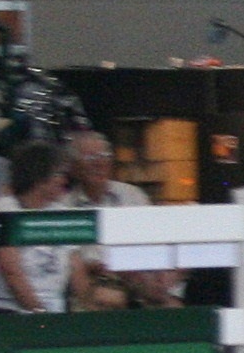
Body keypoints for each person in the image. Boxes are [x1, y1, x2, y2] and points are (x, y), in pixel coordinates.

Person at [63, 128, 177, 307]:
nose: (100, 163)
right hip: (90, 284)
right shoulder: (65, 206)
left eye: (105, 155)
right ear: (74, 168)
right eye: (91, 158)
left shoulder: (133, 196)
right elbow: (66, 261)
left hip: (135, 282)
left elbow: (157, 243)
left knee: (170, 305)